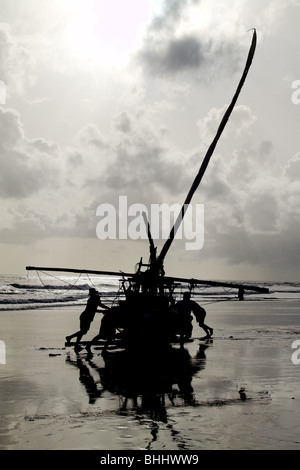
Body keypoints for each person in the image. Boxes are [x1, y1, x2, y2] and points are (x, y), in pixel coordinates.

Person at [65, 287, 109, 352]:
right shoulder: (91, 300)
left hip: (87, 317)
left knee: (82, 331)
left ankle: (75, 344)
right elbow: (93, 310)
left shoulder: (95, 298)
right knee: (83, 331)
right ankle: (69, 337)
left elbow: (100, 304)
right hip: (86, 316)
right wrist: (103, 311)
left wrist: (107, 308)